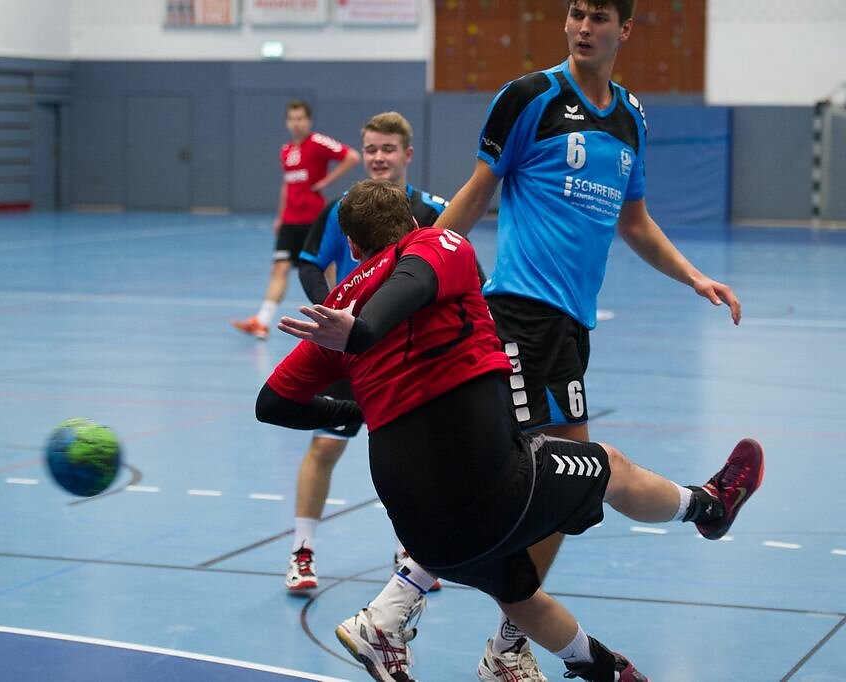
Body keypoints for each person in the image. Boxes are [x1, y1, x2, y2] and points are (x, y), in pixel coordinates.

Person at [255, 179, 763, 682]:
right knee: (609, 466)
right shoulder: (437, 243)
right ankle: (710, 506)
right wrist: (363, 334)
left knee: (519, 593)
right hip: (491, 490)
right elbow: (412, 282)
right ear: (413, 224)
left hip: (421, 534)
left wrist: (356, 408)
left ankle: (603, 671)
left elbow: (271, 403)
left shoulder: (339, 309)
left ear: (352, 246)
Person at [428, 0, 742, 675]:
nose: (583, 26)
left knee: (575, 485)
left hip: (570, 327)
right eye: (576, 13)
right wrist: (418, 269)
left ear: (624, 30)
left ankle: (509, 640)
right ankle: (397, 612)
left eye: (599, 16)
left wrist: (692, 276)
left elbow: (635, 222)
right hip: (518, 314)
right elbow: (477, 194)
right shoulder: (529, 99)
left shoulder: (630, 117)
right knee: (522, 480)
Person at [284, 111, 448, 594]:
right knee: (326, 445)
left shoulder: (432, 210)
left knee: (414, 455)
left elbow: (461, 268)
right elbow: (311, 263)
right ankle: (301, 550)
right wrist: (332, 310)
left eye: (388, 149)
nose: (378, 157)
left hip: (408, 353)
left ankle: (411, 551)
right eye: (371, 149)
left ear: (407, 154)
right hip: (349, 346)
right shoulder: (341, 209)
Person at [232, 99, 359, 340]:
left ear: (308, 120)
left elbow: (352, 156)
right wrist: (280, 216)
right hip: (290, 221)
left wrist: (326, 182)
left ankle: (338, 315)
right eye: (292, 118)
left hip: (315, 220)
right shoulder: (286, 150)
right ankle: (262, 321)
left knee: (327, 270)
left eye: (301, 118)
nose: (296, 123)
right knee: (279, 269)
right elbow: (286, 184)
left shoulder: (318, 142)